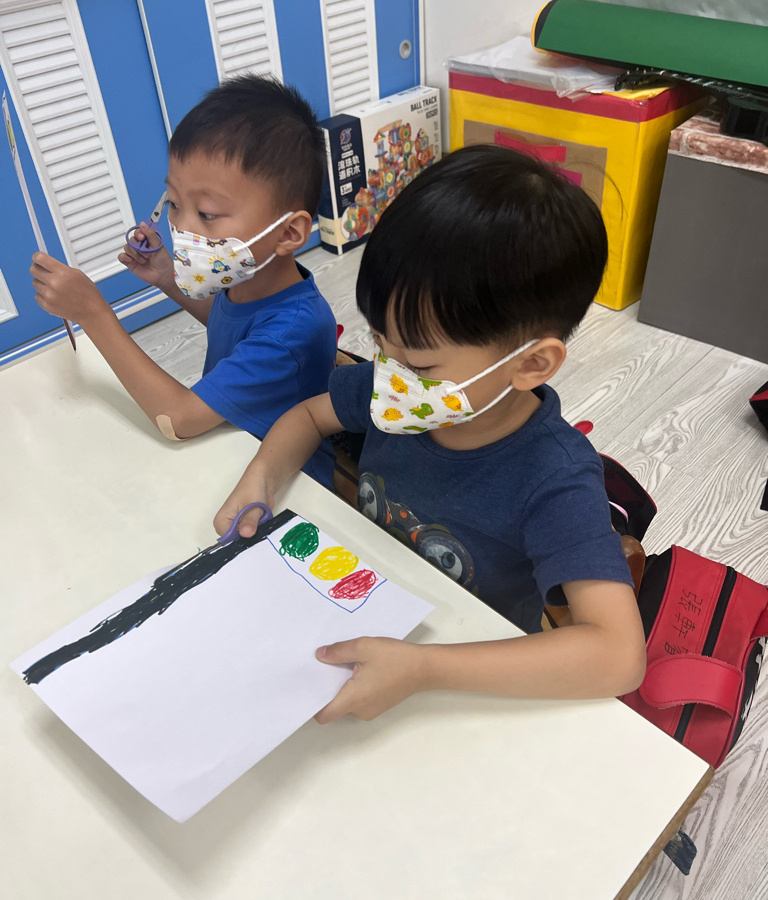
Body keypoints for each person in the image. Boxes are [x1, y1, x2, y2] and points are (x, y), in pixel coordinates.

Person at [213, 144, 647, 721]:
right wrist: (261, 477)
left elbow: (618, 656)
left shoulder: (555, 479)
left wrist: (424, 669)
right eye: (379, 343)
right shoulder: (395, 389)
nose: (389, 376)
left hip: (465, 673)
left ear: (531, 364)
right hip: (358, 605)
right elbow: (310, 416)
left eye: (418, 364)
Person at [30, 74, 338, 487]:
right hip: (225, 449)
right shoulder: (250, 281)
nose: (184, 229)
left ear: (288, 233)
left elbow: (177, 420)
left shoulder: (294, 329)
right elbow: (230, 323)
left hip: (285, 487)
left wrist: (93, 313)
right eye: (174, 203)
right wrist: (167, 278)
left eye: (207, 214)